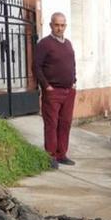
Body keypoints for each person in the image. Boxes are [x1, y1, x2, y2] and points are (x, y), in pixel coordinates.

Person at [33, 12, 77, 169]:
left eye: (62, 25)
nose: (60, 28)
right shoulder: (44, 44)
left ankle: (61, 154)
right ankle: (50, 156)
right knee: (51, 124)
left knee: (65, 123)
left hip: (69, 91)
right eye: (57, 24)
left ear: (65, 26)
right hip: (53, 91)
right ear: (51, 25)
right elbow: (36, 67)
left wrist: (74, 82)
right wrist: (46, 86)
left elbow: (72, 64)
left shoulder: (68, 44)